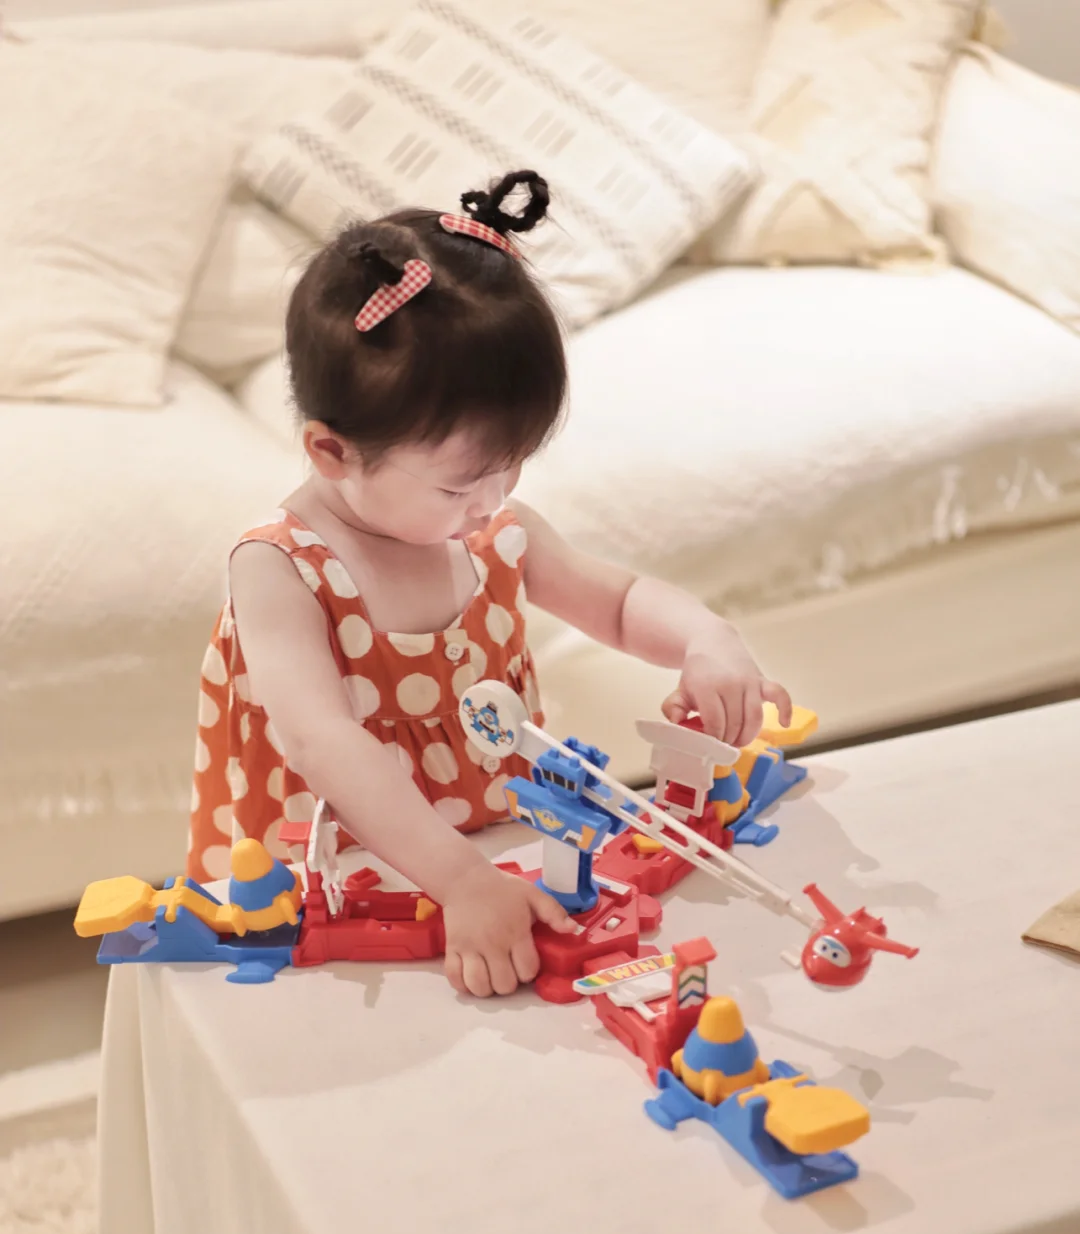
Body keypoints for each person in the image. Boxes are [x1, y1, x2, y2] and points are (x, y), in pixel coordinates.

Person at [189, 169, 792, 998]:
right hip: (342, 881)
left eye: (513, 465)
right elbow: (322, 743)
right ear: (331, 452)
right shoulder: (280, 568)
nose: (493, 500)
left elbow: (617, 604)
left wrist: (706, 638)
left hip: (500, 849)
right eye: (459, 484)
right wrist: (461, 882)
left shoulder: (494, 533)